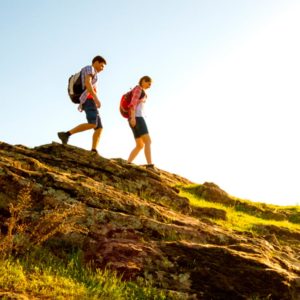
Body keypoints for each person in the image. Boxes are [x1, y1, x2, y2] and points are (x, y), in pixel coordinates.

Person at [57, 55, 107, 154]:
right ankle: (66, 134)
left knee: (99, 127)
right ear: (96, 62)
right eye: (101, 66)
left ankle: (93, 150)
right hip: (88, 100)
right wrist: (96, 99)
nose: (102, 69)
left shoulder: (94, 74)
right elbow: (88, 84)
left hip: (90, 100)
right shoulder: (90, 68)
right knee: (93, 123)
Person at [127, 76, 154, 168]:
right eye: (149, 83)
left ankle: (128, 163)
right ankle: (150, 165)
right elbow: (133, 103)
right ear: (143, 81)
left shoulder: (141, 91)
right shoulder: (138, 89)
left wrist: (132, 118)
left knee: (139, 145)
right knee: (148, 141)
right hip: (137, 118)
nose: (150, 86)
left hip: (133, 118)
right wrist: (133, 117)